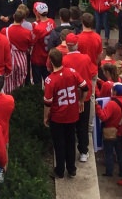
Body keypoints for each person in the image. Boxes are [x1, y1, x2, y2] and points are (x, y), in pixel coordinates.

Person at [42, 47, 86, 180]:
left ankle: (60, 170)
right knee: (71, 141)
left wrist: (45, 117)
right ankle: (71, 168)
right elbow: (85, 87)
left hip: (58, 117)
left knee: (59, 144)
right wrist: (81, 101)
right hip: (72, 115)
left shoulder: (50, 80)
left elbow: (48, 103)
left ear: (51, 62)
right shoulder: (72, 72)